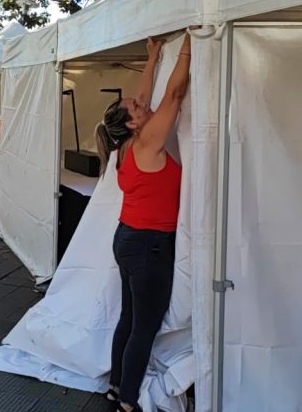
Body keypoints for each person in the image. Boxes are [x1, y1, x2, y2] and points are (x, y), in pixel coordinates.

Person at [95, 36, 191, 412]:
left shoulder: (125, 148)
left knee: (129, 318)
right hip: (149, 246)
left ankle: (117, 387)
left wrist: (152, 58)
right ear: (134, 123)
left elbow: (147, 96)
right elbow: (175, 95)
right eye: (136, 107)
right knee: (142, 328)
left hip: (129, 240)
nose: (140, 103)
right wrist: (189, 46)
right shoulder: (148, 142)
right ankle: (128, 402)